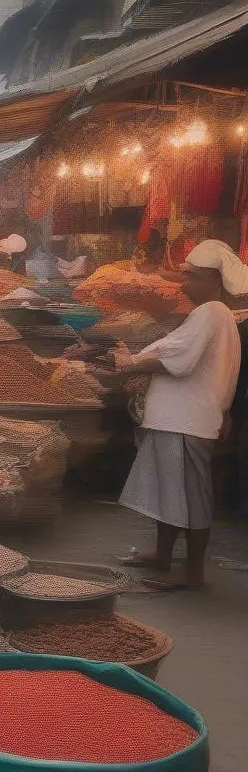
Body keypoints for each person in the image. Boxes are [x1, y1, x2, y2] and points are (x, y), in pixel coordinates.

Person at [112, 240, 244, 590]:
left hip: (186, 421)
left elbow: (181, 361)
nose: (186, 285)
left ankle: (194, 574)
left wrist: (132, 364)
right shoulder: (216, 316)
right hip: (177, 418)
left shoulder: (213, 312)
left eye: (195, 278)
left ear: (215, 281)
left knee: (191, 495)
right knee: (168, 492)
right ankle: (163, 555)